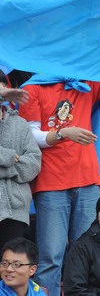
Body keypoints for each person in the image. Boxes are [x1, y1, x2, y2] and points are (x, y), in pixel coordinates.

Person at [18, 77, 100, 296]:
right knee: (50, 257)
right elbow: (30, 137)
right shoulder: (32, 88)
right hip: (51, 181)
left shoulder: (85, 82)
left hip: (87, 179)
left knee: (86, 255)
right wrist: (63, 133)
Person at [0, 74, 41, 251]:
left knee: (10, 268)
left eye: (3, 88)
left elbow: (33, 163)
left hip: (15, 210)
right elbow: (11, 158)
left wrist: (5, 170)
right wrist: (8, 156)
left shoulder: (20, 124)